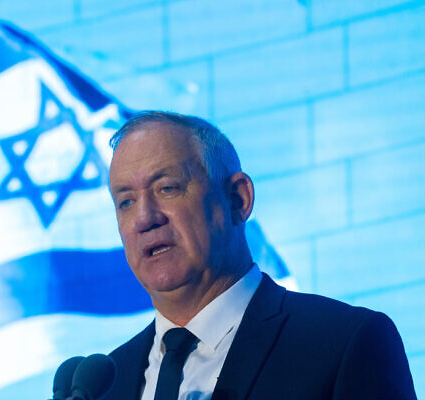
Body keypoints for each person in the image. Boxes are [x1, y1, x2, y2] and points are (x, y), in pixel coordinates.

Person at [101, 111, 416, 400]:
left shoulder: (344, 343)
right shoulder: (102, 386)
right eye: (125, 202)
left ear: (238, 199)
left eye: (167, 188)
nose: (144, 218)